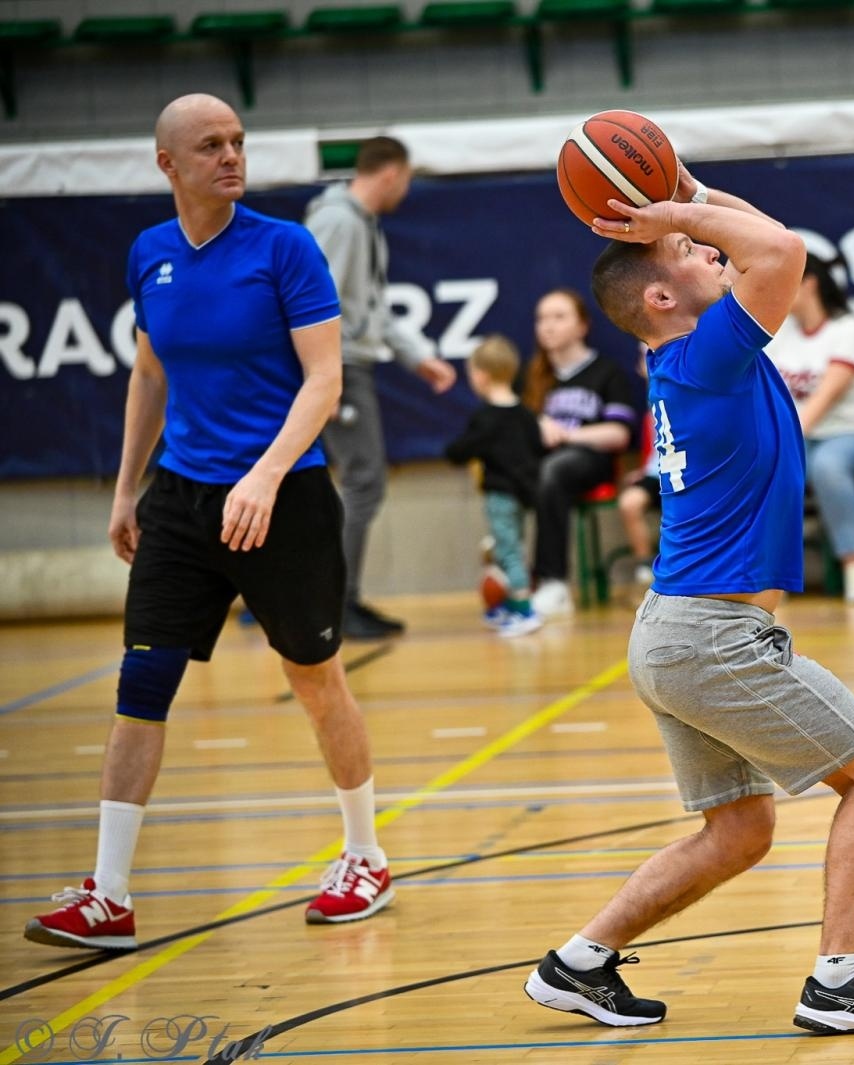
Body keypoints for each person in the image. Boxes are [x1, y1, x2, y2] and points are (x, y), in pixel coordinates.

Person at [522, 165, 854, 1035]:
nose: (712, 245)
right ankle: (839, 979)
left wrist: (684, 185)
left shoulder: (687, 351)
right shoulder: (709, 352)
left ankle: (580, 962)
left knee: (742, 830)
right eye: (690, 251)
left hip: (676, 633)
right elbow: (782, 248)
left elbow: (772, 240)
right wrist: (665, 212)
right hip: (713, 636)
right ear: (667, 295)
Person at [25, 95, 393, 951]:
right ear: (168, 164)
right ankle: (109, 892)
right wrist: (126, 491)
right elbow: (149, 374)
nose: (230, 156)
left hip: (285, 499)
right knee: (141, 684)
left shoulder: (285, 247)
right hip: (182, 502)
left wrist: (263, 476)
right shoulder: (149, 254)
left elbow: (324, 382)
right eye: (210, 145)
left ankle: (365, 855)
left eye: (237, 142)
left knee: (316, 678)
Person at [305, 136, 458, 641]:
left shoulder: (361, 225)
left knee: (359, 481)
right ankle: (334, 603)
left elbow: (367, 307)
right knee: (363, 480)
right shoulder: (338, 222)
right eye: (407, 180)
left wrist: (419, 358)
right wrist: (320, 377)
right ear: (390, 173)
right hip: (339, 367)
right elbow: (307, 301)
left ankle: (338, 598)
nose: (406, 191)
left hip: (349, 364)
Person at [766, 253, 854, 605]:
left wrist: (779, 442)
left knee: (827, 467)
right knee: (771, 471)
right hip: (797, 436)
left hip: (847, 435)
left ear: (810, 283)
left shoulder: (849, 330)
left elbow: (824, 398)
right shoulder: (781, 331)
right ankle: (770, 577)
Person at [520, 288, 640, 617]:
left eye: (559, 317)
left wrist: (567, 435)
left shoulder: (606, 372)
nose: (548, 326)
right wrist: (537, 426)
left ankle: (553, 582)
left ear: (582, 326)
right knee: (503, 473)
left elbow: (618, 434)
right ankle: (513, 575)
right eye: (542, 318)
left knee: (554, 470)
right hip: (540, 463)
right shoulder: (533, 378)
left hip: (589, 460)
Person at [444, 335, 546, 637]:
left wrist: (453, 451)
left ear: (481, 375)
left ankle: (526, 610)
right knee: (509, 549)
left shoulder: (486, 418)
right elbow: (538, 451)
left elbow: (460, 451)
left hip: (499, 495)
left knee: (509, 551)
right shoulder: (527, 415)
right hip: (525, 495)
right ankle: (511, 607)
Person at [617, 357, 661, 591]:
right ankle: (646, 566)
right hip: (656, 474)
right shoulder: (649, 406)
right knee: (629, 502)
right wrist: (644, 470)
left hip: (689, 472)